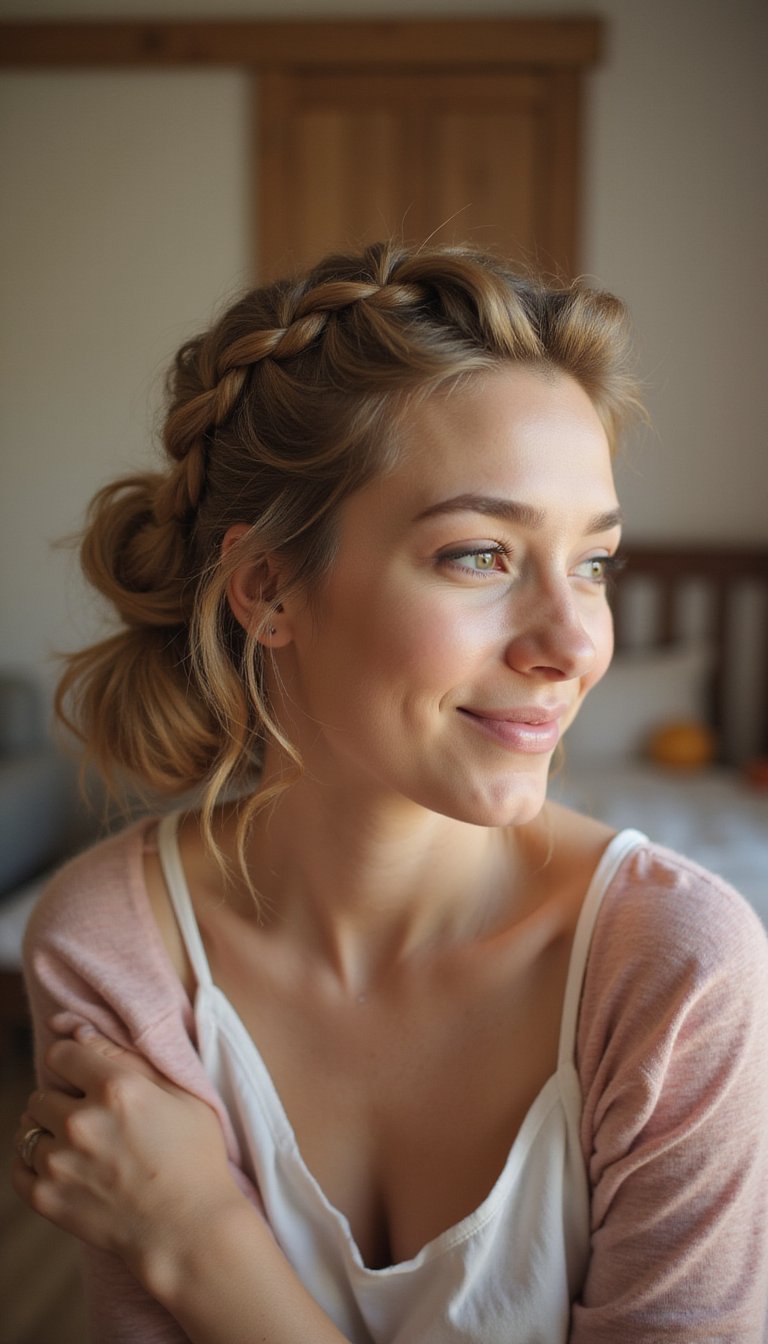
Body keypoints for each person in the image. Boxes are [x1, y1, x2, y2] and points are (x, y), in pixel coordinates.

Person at [12, 240, 768, 1344]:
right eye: (481, 555)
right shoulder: (116, 947)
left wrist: (201, 1244)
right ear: (267, 587)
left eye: (594, 563)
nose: (575, 644)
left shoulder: (673, 968)